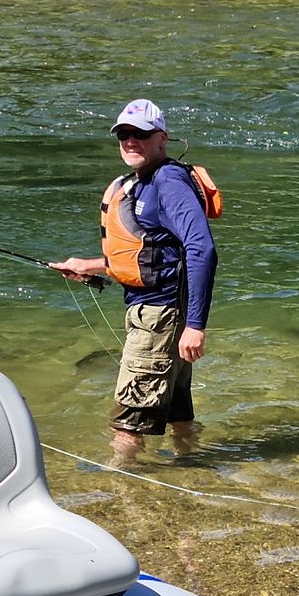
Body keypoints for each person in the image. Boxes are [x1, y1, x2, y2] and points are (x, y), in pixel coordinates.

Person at [52, 99, 218, 466]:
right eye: (124, 135)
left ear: (162, 138)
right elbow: (153, 255)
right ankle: (194, 468)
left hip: (160, 317)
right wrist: (90, 266)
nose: (130, 141)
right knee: (178, 412)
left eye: (140, 134)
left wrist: (195, 326)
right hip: (160, 311)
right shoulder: (139, 183)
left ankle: (118, 484)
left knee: (127, 420)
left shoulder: (168, 182)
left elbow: (202, 249)